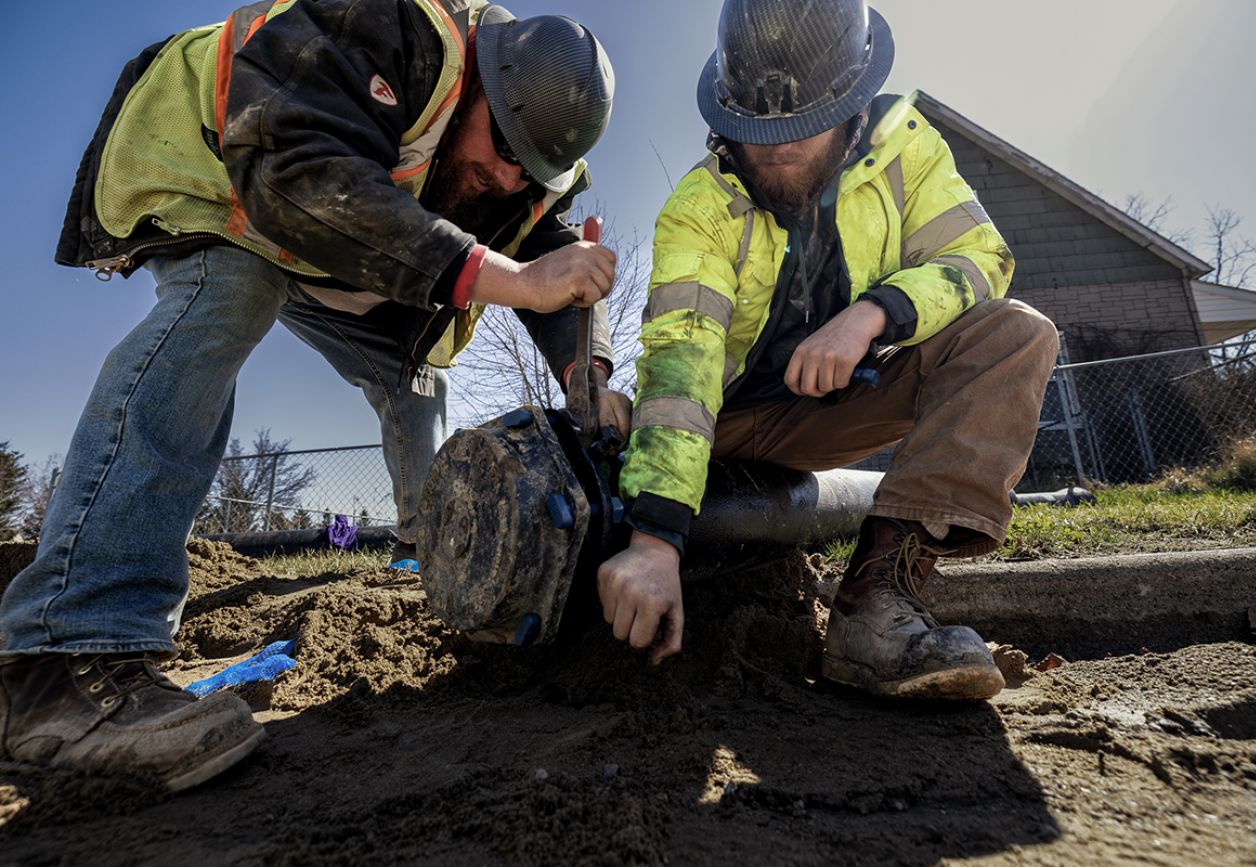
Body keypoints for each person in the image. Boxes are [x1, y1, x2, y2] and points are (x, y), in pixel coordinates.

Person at [0, 0, 623, 790]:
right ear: (479, 82)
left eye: (528, 169)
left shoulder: (518, 171)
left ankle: (425, 558)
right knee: (227, 293)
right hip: (234, 170)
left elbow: (549, 250)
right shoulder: (385, 23)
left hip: (345, 258)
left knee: (417, 381)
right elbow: (296, 171)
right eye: (502, 145)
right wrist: (512, 281)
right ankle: (63, 656)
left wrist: (588, 374)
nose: (505, 177)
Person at [597, 0, 1059, 701]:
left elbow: (979, 258)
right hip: (733, 420)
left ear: (849, 107)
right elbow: (682, 366)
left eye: (800, 129)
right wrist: (655, 538)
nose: (776, 149)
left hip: (847, 401)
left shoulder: (910, 151)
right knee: (636, 427)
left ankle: (871, 607)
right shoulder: (698, 208)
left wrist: (875, 313)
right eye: (757, 130)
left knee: (1018, 333)